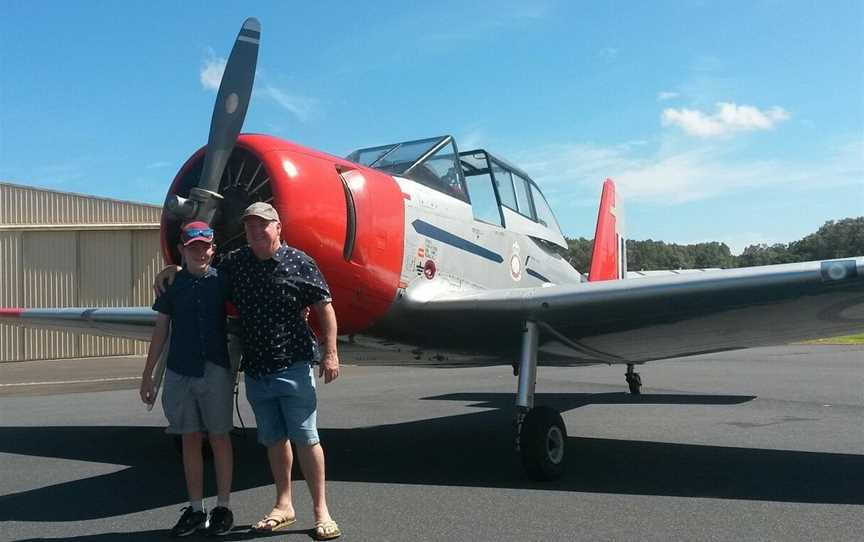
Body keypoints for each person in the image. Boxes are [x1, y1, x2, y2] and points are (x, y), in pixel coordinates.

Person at [156, 202, 341, 540]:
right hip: (256, 368)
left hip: (295, 364)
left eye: (263, 225)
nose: (256, 231)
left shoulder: (301, 262)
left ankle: (321, 511)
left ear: (278, 227)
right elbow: (201, 265)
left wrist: (330, 353)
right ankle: (283, 505)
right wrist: (171, 270)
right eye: (251, 226)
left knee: (306, 437)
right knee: (273, 439)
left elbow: (324, 307)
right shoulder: (238, 262)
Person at [140, 221, 235, 537]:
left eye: (205, 246)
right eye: (193, 246)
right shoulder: (171, 286)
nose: (200, 252)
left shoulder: (224, 281)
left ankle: (223, 506)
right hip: (180, 372)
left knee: (220, 437)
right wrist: (148, 375)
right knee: (189, 439)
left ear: (213, 249)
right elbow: (160, 329)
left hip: (215, 370)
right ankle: (196, 509)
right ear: (182, 250)